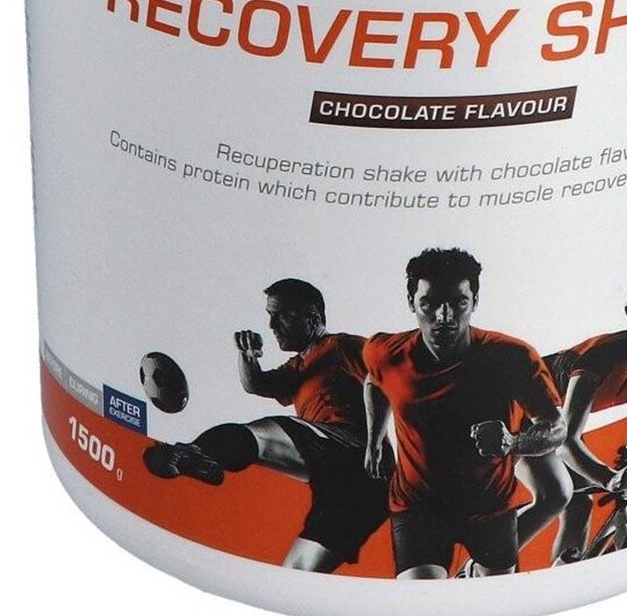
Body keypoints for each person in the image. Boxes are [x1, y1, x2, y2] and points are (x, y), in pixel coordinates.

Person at [143, 277, 390, 573]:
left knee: (267, 432)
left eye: (282, 316)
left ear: (313, 318)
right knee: (296, 572)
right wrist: (247, 356)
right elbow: (256, 384)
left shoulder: (341, 346)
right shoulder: (298, 367)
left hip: (354, 451)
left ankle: (193, 453)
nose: (273, 325)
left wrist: (376, 443)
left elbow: (386, 378)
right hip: (348, 490)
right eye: (271, 316)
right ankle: (198, 455)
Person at [362, 246, 565, 579]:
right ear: (411, 302)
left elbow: (556, 427)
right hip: (419, 507)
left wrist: (512, 443)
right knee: (421, 602)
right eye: (429, 304)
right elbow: (373, 380)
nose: (444, 316)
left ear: (475, 301)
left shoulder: (511, 356)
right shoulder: (384, 352)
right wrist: (374, 440)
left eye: (458, 303)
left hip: (490, 507)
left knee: (495, 600)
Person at [517, 270, 627, 563]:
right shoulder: (601, 356)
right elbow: (565, 441)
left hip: (556, 423)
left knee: (580, 504)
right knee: (555, 494)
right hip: (521, 414)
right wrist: (609, 479)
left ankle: (566, 575)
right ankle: (485, 563)